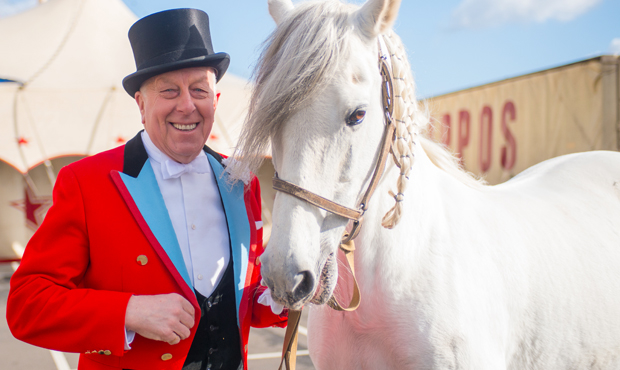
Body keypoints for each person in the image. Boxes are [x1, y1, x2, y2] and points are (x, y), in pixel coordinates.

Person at [7, 8, 286, 370]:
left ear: (215, 101)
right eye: (169, 91)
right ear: (141, 105)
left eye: (199, 90)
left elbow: (238, 304)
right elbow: (27, 306)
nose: (187, 105)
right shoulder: (87, 181)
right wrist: (127, 312)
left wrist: (282, 300)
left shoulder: (242, 181)